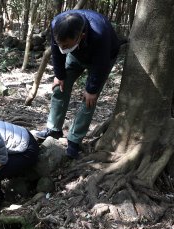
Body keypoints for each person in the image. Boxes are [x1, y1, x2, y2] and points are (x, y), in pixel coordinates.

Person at [36, 10, 121, 158]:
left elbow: (101, 64)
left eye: (66, 44)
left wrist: (92, 89)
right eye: (60, 43)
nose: (62, 47)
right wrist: (60, 75)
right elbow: (57, 51)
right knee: (59, 87)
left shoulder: (99, 34)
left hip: (102, 58)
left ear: (80, 36)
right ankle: (53, 129)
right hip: (76, 55)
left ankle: (74, 141)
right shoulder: (56, 24)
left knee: (89, 100)